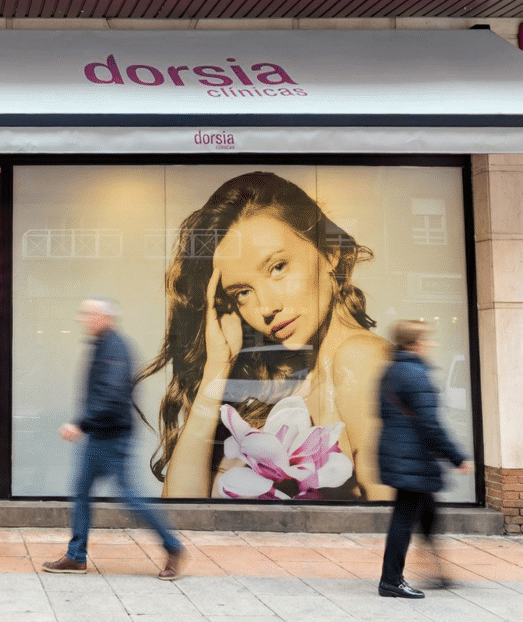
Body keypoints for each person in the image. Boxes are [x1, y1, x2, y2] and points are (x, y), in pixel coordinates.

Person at [140, 171, 393, 501]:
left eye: (278, 267)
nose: (267, 307)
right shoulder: (292, 377)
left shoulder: (360, 359)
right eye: (242, 292)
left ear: (329, 252)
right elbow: (180, 511)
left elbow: (391, 521)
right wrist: (216, 368)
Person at [42, 298, 189, 580]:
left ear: (104, 318)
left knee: (129, 496)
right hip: (100, 434)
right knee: (82, 491)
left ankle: (173, 547)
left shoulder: (114, 347)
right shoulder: (103, 345)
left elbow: (110, 394)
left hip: (112, 437)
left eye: (89, 314)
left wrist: (80, 423)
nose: (83, 319)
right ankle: (76, 556)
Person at [376, 319, 471, 599]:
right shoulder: (416, 373)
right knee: (404, 519)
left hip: (400, 454)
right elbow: (430, 424)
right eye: (427, 340)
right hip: (413, 457)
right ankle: (391, 580)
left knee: (426, 513)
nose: (431, 344)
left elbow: (382, 413)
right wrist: (457, 457)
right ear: (414, 344)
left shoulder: (390, 371)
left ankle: (437, 571)